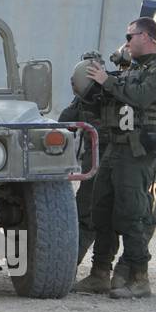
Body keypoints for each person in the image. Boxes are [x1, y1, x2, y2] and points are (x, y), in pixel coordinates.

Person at [74, 17, 156, 300]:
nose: (127, 42)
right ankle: (100, 273)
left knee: (132, 214)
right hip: (116, 149)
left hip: (138, 152)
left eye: (130, 36)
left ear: (146, 36)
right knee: (102, 209)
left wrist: (107, 81)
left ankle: (139, 277)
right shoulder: (135, 70)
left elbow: (141, 96)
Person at [60, 45, 133, 267]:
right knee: (107, 217)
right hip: (117, 162)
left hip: (102, 162)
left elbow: (64, 122)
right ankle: (102, 270)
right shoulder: (122, 87)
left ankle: (69, 267)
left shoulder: (109, 90)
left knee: (87, 215)